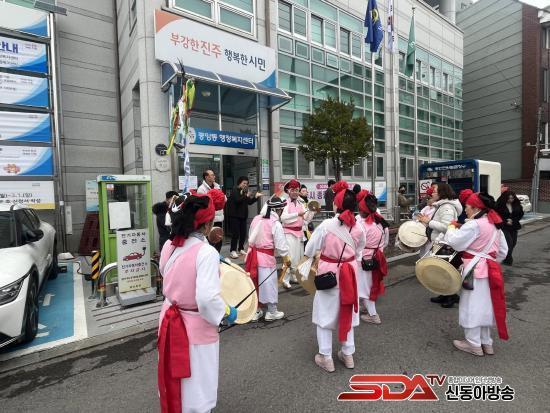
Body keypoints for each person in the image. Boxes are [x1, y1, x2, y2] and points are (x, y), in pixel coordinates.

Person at [157, 189, 237, 413]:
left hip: (169, 317)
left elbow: (165, 272)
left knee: (176, 377)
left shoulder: (170, 245)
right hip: (194, 325)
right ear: (207, 225)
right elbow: (207, 299)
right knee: (198, 380)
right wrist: (226, 312)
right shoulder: (206, 253)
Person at [299, 181, 365, 373]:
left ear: (336, 205)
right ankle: (348, 354)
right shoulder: (359, 228)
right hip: (350, 273)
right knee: (348, 311)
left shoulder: (327, 225)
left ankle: (326, 356)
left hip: (329, 273)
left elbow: (310, 249)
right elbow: (359, 252)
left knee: (325, 314)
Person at [443, 192, 509, 356]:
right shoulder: (495, 225)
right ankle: (486, 343)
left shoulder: (474, 225)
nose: (465, 209)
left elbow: (455, 242)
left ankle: (473, 344)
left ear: (475, 207)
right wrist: (488, 260)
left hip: (473, 269)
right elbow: (503, 252)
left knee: (471, 305)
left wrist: (451, 227)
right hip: (491, 270)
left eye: (467, 206)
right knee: (485, 306)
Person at [417, 182, 463, 308]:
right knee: (441, 271)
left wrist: (429, 222)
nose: (432, 192)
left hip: (444, 243)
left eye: (435, 191)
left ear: (442, 192)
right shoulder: (443, 205)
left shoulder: (447, 207)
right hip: (440, 242)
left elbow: (447, 227)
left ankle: (451, 296)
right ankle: (445, 294)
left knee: (446, 271)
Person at [245, 197, 291, 322]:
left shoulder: (256, 219)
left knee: (254, 283)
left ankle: (256, 310)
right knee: (268, 284)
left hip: (253, 256)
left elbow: (250, 236)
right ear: (278, 210)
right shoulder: (275, 223)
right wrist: (286, 258)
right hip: (266, 257)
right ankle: (271, 311)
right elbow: (281, 245)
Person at [356, 190, 390, 325]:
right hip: (377, 258)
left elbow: (355, 245)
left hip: (363, 260)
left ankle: (373, 315)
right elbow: (386, 242)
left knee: (364, 288)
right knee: (371, 285)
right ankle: (365, 308)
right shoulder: (381, 222)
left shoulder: (361, 225)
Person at [281, 179, 314, 289]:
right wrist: (297, 214)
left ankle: (293, 276)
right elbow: (283, 218)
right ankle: (285, 279)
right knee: (290, 257)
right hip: (288, 232)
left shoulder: (301, 203)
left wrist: (311, 211)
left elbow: (306, 219)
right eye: (293, 190)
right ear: (288, 191)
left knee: (298, 257)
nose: (295, 192)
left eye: (296, 190)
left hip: (299, 233)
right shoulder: (285, 203)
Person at [225, 176, 263, 259]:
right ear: (239, 183)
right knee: (235, 234)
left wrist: (256, 197)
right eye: (244, 183)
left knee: (243, 233)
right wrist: (246, 196)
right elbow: (237, 200)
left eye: (247, 183)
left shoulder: (245, 192)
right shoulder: (235, 190)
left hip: (243, 216)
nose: (245, 185)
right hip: (234, 216)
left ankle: (241, 248)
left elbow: (249, 202)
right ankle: (233, 251)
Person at [197, 169, 225, 252]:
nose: (214, 176)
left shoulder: (217, 186)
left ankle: (217, 255)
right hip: (209, 219)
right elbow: (203, 204)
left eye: (214, 175)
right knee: (209, 239)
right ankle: (210, 255)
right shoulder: (201, 189)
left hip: (219, 217)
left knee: (219, 238)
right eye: (212, 175)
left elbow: (224, 198)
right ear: (206, 177)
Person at [495, 191, 524, 266]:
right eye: (509, 198)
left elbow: (520, 214)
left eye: (512, 198)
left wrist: (513, 220)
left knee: (513, 242)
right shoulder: (499, 205)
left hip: (514, 226)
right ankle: (508, 259)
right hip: (504, 227)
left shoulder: (516, 205)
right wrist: (505, 221)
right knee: (509, 243)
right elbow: (496, 215)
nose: (511, 200)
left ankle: (506, 257)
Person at [415, 186, 436, 258]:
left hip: (431, 235)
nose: (427, 200)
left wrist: (425, 220)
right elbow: (418, 217)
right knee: (423, 254)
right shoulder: (426, 208)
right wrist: (421, 219)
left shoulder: (436, 209)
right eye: (427, 198)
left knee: (429, 254)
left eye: (429, 198)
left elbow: (429, 221)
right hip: (423, 234)